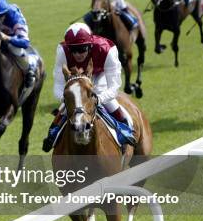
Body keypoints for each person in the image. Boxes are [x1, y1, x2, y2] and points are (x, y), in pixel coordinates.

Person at [42, 23, 136, 152]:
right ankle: (52, 135)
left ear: (90, 45)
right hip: (75, 78)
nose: (77, 54)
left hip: (100, 74)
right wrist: (70, 100)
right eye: (73, 50)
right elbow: (58, 87)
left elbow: (114, 86)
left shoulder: (107, 49)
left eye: (82, 49)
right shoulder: (62, 50)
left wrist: (98, 98)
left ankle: (126, 131)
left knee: (109, 102)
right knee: (65, 109)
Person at [0, 0, 38, 88]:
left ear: (5, 13)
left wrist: (6, 38)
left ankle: (29, 71)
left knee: (14, 48)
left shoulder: (16, 18)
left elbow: (25, 42)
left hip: (13, 35)